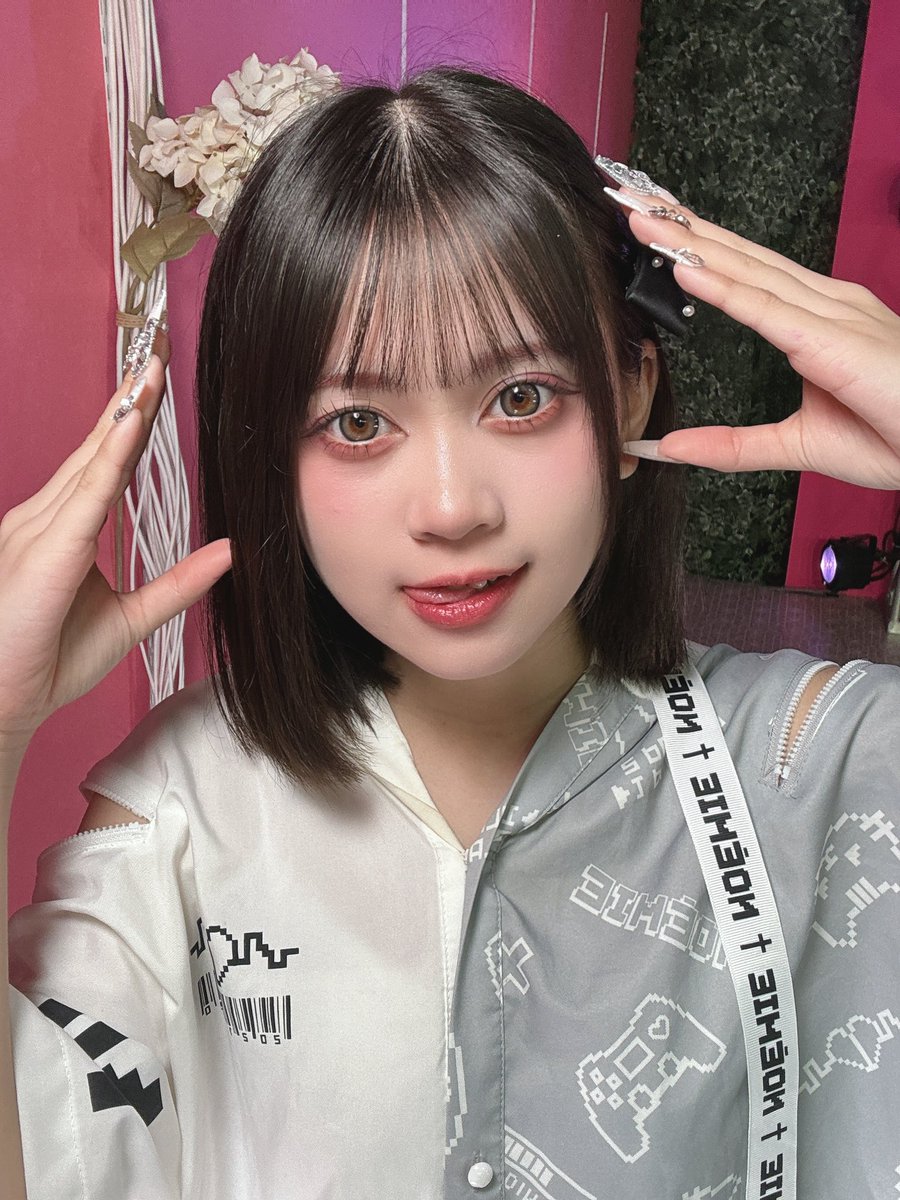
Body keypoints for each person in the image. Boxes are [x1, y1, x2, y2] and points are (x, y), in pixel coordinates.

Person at [2, 65, 900, 1200]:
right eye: (357, 422)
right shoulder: (177, 811)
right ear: (269, 451)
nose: (450, 507)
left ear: (629, 393)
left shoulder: (815, 761)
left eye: (521, 398)